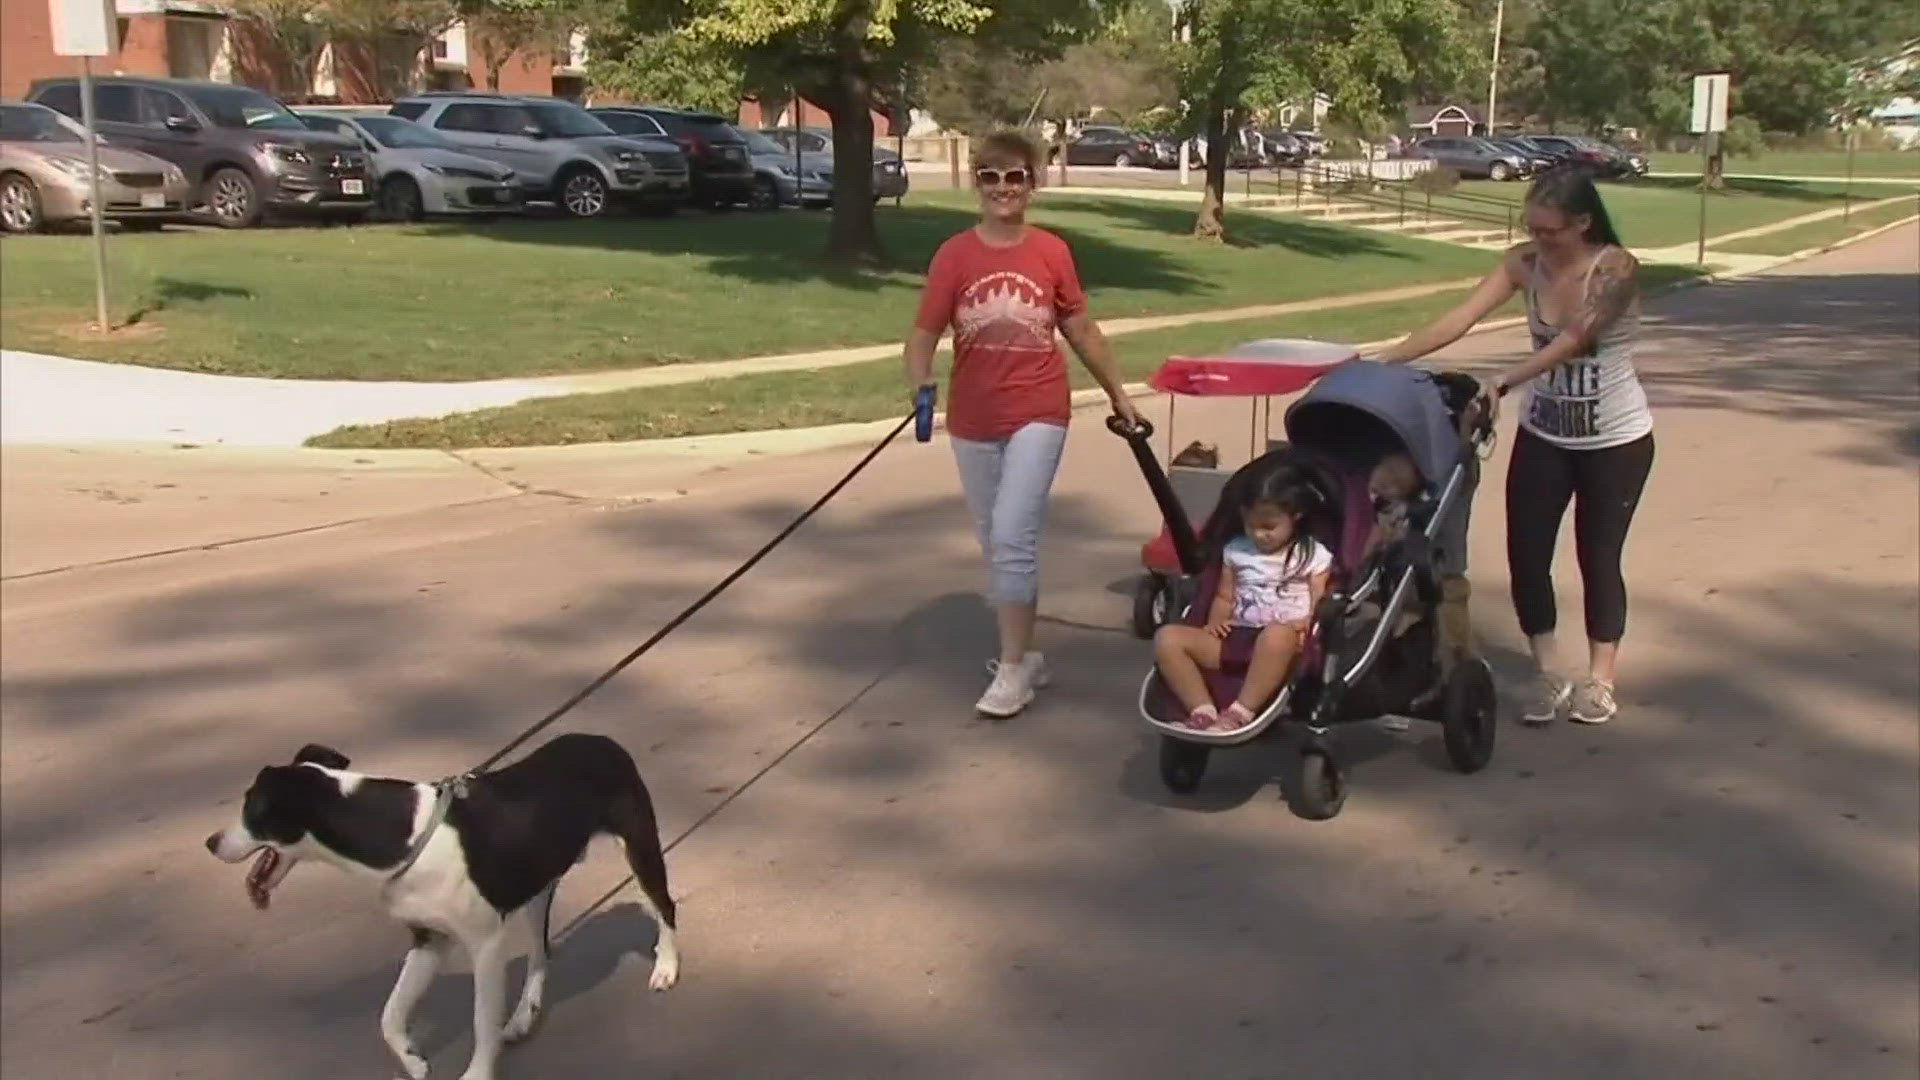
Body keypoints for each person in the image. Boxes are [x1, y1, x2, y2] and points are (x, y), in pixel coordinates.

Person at [1377, 167, 1653, 725]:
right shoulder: (1522, 264)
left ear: (1582, 223)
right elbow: (1460, 318)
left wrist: (1503, 380)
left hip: (1615, 440)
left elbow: (1576, 340)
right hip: (1545, 434)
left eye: (1551, 231)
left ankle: (1599, 680)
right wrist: (1384, 364)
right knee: (1527, 555)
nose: (1541, 242)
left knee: (1597, 557)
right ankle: (1547, 672)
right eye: (1533, 228)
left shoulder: (1615, 268)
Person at [903, 130, 1141, 718]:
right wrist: (920, 382)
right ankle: (1027, 654)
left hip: (1039, 409)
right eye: (991, 177)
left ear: (1033, 184)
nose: (1003, 189)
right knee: (995, 537)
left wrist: (1118, 393)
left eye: (1016, 177)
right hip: (972, 416)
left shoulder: (1051, 252)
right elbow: (923, 333)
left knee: (1011, 534)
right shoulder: (954, 255)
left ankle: (1011, 673)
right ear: (976, 183)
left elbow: (1080, 328)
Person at [1152, 469, 1332, 733]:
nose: (1259, 535)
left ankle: (1240, 712)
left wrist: (1309, 623)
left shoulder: (1312, 554)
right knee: (1167, 638)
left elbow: (1319, 597)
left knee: (1276, 636)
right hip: (1235, 637)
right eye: (1251, 526)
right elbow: (1225, 595)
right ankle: (1201, 709)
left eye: (1269, 527)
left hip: (1283, 644)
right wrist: (1216, 619)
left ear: (1295, 516)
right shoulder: (1237, 550)